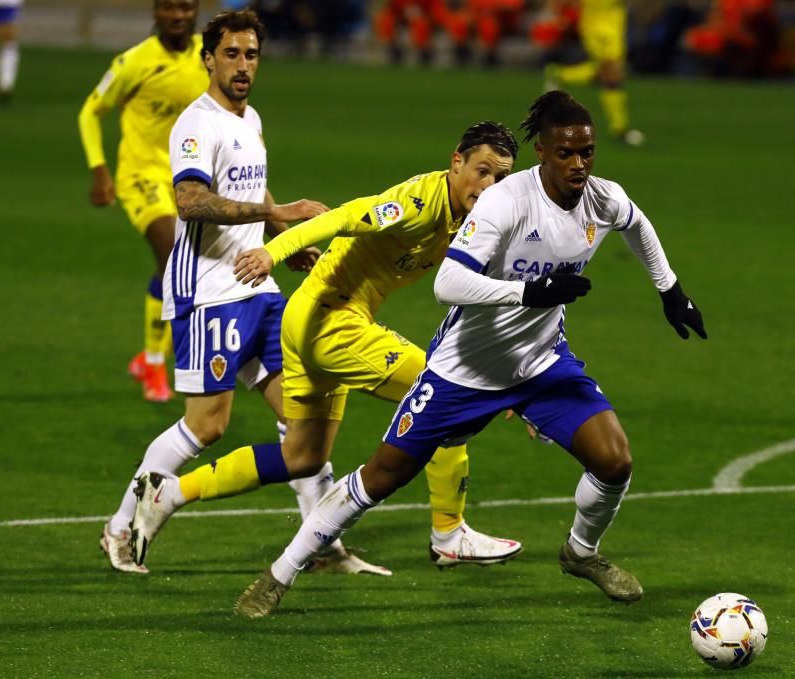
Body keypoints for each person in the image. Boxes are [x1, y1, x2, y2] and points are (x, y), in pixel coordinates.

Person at [232, 90, 708, 618]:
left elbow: (637, 223)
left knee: (615, 461)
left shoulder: (602, 198)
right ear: (543, 153)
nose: (579, 164)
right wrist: (526, 293)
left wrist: (670, 289)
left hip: (541, 363)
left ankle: (580, 553)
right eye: (565, 153)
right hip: (465, 371)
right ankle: (279, 575)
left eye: (587, 152)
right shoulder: (506, 202)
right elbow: (449, 281)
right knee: (380, 477)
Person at [129, 121, 524, 573]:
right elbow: (342, 216)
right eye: (482, 171)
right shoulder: (417, 204)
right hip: (329, 321)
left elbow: (484, 295)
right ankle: (449, 534)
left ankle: (169, 493)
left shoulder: (476, 221)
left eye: (501, 177)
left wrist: (510, 369)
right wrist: (272, 252)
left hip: (309, 318)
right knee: (442, 394)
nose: (489, 185)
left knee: (302, 457)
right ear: (457, 162)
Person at [100, 9, 333, 574]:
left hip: (257, 284)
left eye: (251, 54)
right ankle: (118, 527)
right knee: (208, 425)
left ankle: (321, 541)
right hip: (208, 292)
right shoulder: (196, 123)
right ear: (209, 59)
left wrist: (282, 237)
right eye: (231, 54)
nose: (243, 65)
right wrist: (276, 212)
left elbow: (252, 189)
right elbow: (190, 202)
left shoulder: (249, 119)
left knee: (303, 415)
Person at [78, 0, 210, 403]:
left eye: (185, 7)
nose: (177, 16)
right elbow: (90, 110)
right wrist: (99, 169)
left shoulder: (209, 54)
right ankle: (155, 363)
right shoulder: (134, 62)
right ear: (156, 12)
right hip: (140, 176)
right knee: (173, 255)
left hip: (187, 176)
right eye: (169, 8)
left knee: (186, 267)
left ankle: (150, 354)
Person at [541, 1, 644, 146]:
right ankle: (620, 129)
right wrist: (556, 11)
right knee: (612, 72)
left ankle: (561, 75)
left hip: (614, 22)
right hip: (594, 24)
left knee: (608, 73)